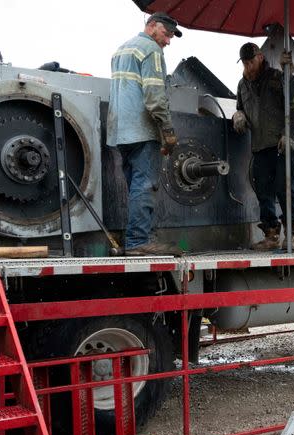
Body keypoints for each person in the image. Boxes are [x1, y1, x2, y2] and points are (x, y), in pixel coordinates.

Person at [106, 12, 183, 256]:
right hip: (142, 129)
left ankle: (138, 235)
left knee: (135, 185)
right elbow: (154, 96)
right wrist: (167, 129)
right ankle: (139, 240)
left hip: (120, 130)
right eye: (166, 33)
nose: (168, 41)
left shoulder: (122, 49)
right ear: (151, 27)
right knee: (146, 185)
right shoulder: (151, 50)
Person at [232, 42, 294, 250]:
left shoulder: (277, 77)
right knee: (263, 191)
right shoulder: (242, 85)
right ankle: (271, 235)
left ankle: (292, 234)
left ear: (260, 57)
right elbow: (240, 107)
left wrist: (290, 134)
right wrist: (239, 115)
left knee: (284, 189)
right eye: (244, 63)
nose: (248, 66)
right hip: (259, 146)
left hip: (282, 144)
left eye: (251, 61)